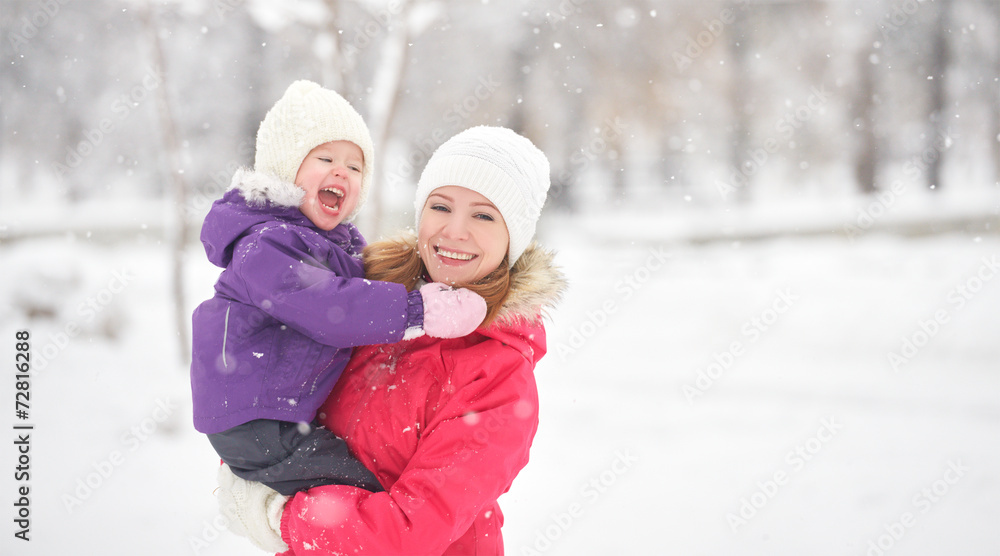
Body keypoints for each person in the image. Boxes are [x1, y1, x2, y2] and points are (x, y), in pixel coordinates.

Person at [216, 125, 567, 555]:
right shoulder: (364, 298)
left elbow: (404, 534)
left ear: (513, 237)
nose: (454, 231)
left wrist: (280, 516)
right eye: (441, 206)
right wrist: (247, 455)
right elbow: (273, 386)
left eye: (483, 215)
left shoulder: (498, 376)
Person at [190, 80, 487, 499]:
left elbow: (368, 282)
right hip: (254, 421)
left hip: (279, 415)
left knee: (353, 492)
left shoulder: (333, 241)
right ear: (284, 167)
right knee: (358, 495)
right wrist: (417, 311)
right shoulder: (266, 243)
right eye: (325, 157)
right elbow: (327, 307)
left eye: (355, 166)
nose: (341, 172)